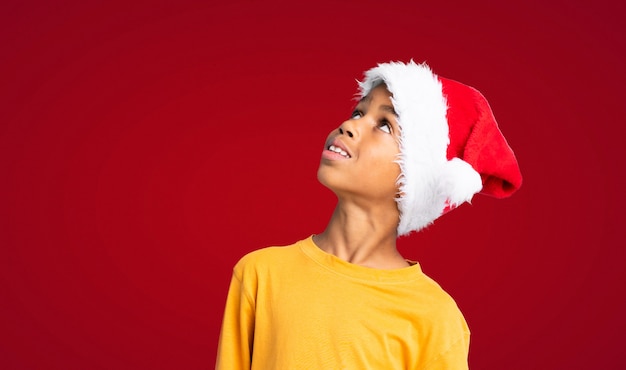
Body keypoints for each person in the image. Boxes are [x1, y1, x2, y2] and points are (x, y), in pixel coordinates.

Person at [216, 61, 522, 369]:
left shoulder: (434, 316)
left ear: (415, 178)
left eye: (385, 125)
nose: (349, 126)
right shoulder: (261, 273)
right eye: (358, 112)